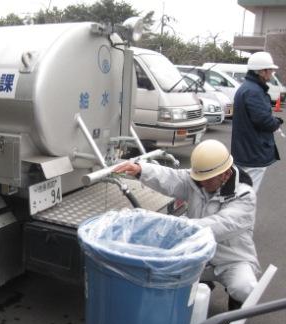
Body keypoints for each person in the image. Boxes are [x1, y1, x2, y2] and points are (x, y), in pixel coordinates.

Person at [114, 139, 260, 310]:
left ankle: (236, 301)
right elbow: (170, 178)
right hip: (198, 256)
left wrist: (179, 226)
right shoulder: (198, 181)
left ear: (225, 174)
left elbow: (221, 225)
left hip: (231, 260)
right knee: (165, 278)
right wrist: (141, 169)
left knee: (245, 288)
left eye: (207, 179)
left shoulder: (245, 196)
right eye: (199, 177)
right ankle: (200, 286)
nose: (201, 183)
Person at [231, 51, 283, 193]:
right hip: (253, 152)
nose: (271, 73)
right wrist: (277, 122)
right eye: (270, 70)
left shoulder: (247, 88)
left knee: (241, 190)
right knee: (247, 194)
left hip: (245, 150)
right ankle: (241, 215)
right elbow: (264, 120)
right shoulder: (254, 91)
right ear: (261, 71)